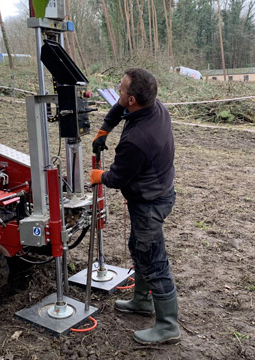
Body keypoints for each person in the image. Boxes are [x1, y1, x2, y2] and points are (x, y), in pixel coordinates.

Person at [90, 68, 180, 345]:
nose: (118, 92)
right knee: (139, 248)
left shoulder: (138, 140)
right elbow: (118, 107)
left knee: (154, 260)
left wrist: (99, 177)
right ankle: (142, 301)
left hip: (150, 201)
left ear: (133, 99)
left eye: (122, 89)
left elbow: (117, 178)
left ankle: (167, 326)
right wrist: (105, 128)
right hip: (156, 191)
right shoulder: (154, 106)